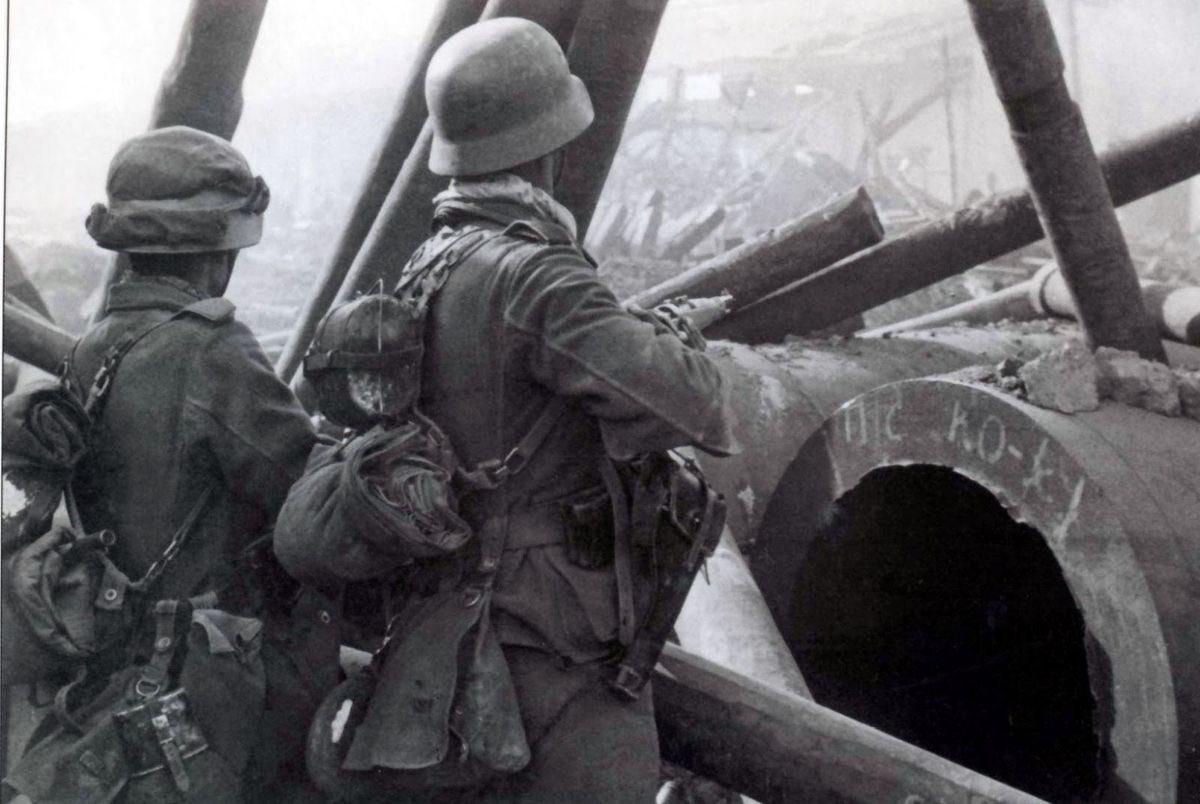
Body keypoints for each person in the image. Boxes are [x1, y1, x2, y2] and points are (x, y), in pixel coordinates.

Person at [409, 18, 736, 801]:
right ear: (548, 146)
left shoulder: (432, 260)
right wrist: (676, 343)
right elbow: (692, 406)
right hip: (550, 636)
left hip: (451, 618)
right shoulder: (537, 275)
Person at [69, 126, 328, 797]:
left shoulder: (94, 345)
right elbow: (310, 499)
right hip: (209, 672)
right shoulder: (214, 350)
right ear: (218, 252)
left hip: (112, 654)